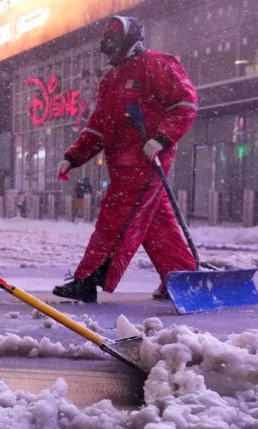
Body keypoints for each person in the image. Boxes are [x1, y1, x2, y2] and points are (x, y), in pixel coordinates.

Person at [53, 15, 197, 303]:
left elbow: (186, 103)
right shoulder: (111, 80)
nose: (108, 45)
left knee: (117, 217)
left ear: (130, 39)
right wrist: (74, 156)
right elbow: (98, 126)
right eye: (106, 40)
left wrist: (162, 139)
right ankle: (182, 278)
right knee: (155, 223)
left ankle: (88, 279)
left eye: (113, 39)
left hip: (145, 161)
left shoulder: (157, 64)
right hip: (121, 164)